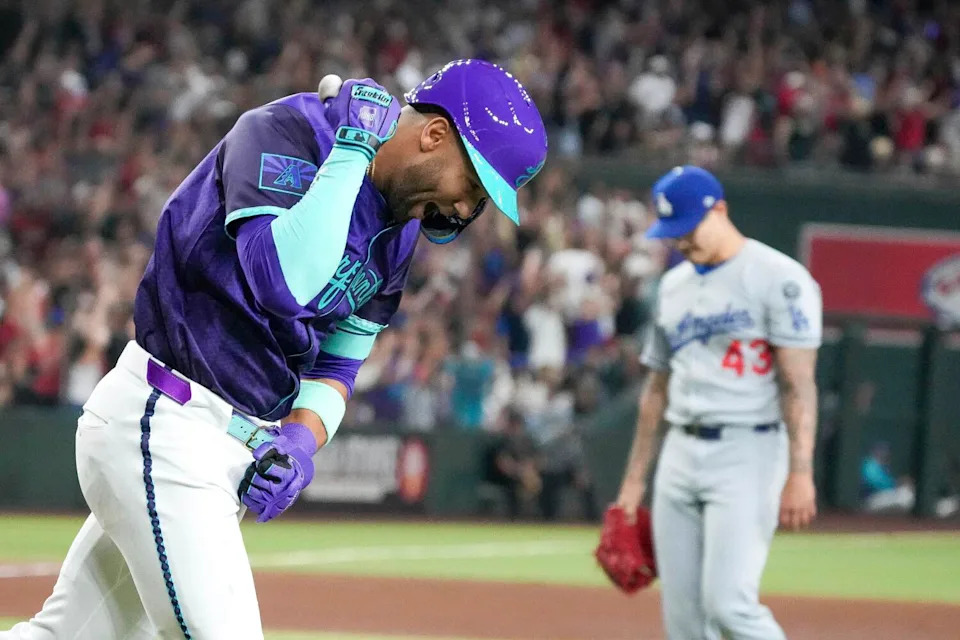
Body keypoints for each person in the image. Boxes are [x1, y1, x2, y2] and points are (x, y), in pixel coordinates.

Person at [3, 59, 547, 640]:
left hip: (223, 447)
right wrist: (354, 151)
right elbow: (282, 279)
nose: (467, 210)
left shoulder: (400, 230)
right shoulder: (288, 131)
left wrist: (300, 439)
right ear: (435, 136)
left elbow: (342, 359)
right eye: (474, 186)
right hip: (168, 425)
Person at [611, 166, 821, 639]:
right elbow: (655, 391)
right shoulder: (672, 286)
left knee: (729, 607)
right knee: (683, 622)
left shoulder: (779, 278)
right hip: (680, 455)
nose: (681, 242)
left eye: (688, 229)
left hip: (748, 450)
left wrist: (800, 470)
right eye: (673, 233)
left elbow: (798, 384)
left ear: (720, 209)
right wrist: (632, 484)